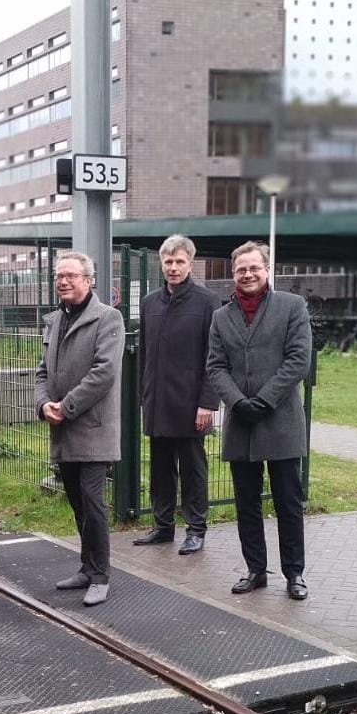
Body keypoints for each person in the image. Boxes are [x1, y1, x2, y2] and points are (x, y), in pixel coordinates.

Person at [206, 241, 312, 600]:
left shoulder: (292, 306)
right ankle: (255, 569)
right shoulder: (221, 317)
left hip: (280, 419)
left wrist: (264, 400)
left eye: (254, 268)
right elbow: (215, 366)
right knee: (246, 502)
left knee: (287, 501)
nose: (247, 275)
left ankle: (294, 574)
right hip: (242, 423)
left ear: (267, 270)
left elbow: (298, 360)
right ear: (233, 274)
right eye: (240, 269)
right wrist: (237, 401)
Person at [35, 251, 125, 607]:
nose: (63, 281)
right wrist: (44, 405)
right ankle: (87, 567)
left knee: (93, 501)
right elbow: (43, 371)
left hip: (93, 428)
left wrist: (66, 406)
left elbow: (104, 373)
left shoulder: (108, 318)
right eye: (59, 276)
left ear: (89, 281)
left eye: (71, 275)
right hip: (63, 428)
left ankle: (101, 575)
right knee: (75, 500)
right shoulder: (55, 320)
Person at [134, 234, 220, 555]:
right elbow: (144, 353)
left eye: (179, 261)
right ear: (162, 263)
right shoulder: (150, 303)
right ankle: (163, 526)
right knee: (159, 467)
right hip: (157, 403)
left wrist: (207, 402)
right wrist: (144, 395)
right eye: (168, 261)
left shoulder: (207, 302)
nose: (173, 267)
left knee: (193, 469)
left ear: (190, 263)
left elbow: (214, 356)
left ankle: (196, 528)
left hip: (191, 404)